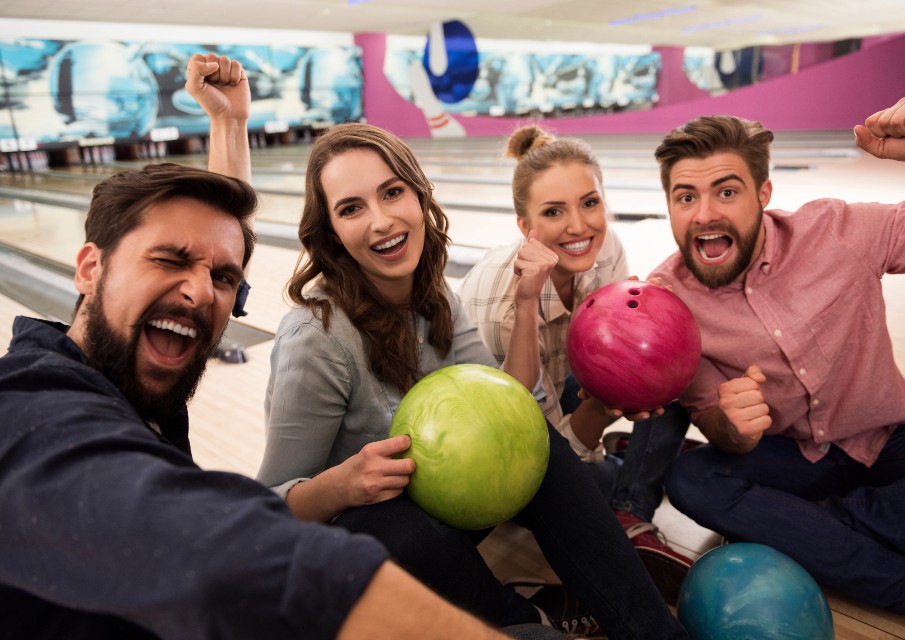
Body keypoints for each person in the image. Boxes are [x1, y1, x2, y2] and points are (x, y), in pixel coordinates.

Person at [0, 61, 562, 640]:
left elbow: (218, 255)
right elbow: (241, 554)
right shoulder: (29, 411)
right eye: (167, 260)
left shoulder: (135, 379)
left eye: (221, 278)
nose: (200, 291)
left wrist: (230, 125)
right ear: (90, 268)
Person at [196, 70, 691, 637]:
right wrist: (347, 482)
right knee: (396, 525)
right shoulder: (317, 337)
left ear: (417, 195)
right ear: (331, 231)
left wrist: (528, 299)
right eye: (351, 208)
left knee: (539, 441)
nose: (382, 220)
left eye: (391, 192)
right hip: (364, 551)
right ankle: (526, 623)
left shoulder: (436, 302)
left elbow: (512, 402)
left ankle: (652, 630)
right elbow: (273, 509)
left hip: (452, 510)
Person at [651, 98, 905, 614]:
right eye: (685, 197)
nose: (704, 214)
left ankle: (809, 524)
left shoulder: (839, 231)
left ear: (763, 193)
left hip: (887, 436)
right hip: (794, 457)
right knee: (691, 479)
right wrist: (731, 427)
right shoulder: (668, 301)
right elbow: (711, 422)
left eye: (726, 191)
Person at [458, 124, 694, 603]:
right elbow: (538, 450)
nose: (579, 226)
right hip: (508, 432)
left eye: (590, 203)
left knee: (671, 372)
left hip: (567, 377)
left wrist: (643, 354)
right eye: (553, 212)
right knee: (581, 484)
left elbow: (630, 347)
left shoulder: (604, 247)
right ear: (525, 227)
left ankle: (628, 483)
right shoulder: (503, 308)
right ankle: (628, 473)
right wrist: (604, 406)